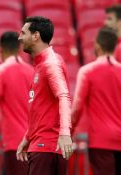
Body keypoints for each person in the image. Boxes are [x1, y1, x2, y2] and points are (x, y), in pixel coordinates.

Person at [16, 16, 73, 175]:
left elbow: (64, 96)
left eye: (23, 33)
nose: (20, 37)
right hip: (42, 146)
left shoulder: (51, 64)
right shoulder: (42, 64)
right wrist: (27, 138)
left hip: (46, 148)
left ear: (36, 35)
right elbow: (40, 109)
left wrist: (64, 134)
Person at [71, 27, 121, 175]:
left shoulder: (87, 71)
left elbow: (77, 108)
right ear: (114, 47)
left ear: (97, 45)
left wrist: (69, 132)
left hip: (100, 141)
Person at [0, 31, 33, 175]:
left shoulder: (0, 72)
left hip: (14, 143)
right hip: (34, 143)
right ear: (20, 48)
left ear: (1, 50)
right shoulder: (32, 72)